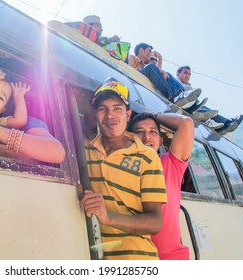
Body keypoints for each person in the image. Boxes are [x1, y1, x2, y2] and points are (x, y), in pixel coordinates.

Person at [81, 77, 167, 260]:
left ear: (128, 115)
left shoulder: (147, 157)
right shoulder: (85, 150)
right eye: (103, 109)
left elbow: (155, 222)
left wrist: (108, 217)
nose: (110, 115)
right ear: (96, 114)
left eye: (117, 108)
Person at [128, 112, 193, 260]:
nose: (147, 137)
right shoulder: (121, 169)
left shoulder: (170, 164)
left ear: (161, 141)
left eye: (153, 132)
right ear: (130, 139)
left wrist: (156, 115)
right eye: (139, 132)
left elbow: (186, 123)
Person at [128, 43, 202, 110]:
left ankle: (188, 102)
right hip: (136, 78)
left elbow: (157, 74)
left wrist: (160, 59)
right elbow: (132, 70)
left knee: (167, 74)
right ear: (141, 50)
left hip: (147, 74)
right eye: (149, 51)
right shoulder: (133, 57)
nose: (150, 54)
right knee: (151, 67)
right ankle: (173, 97)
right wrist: (155, 69)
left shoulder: (146, 66)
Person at [176, 65, 243, 135]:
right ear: (178, 74)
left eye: (189, 74)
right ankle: (227, 122)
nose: (187, 75)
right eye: (185, 73)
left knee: (208, 111)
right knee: (205, 109)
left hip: (193, 105)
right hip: (184, 106)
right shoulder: (176, 83)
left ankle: (225, 125)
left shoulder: (188, 86)